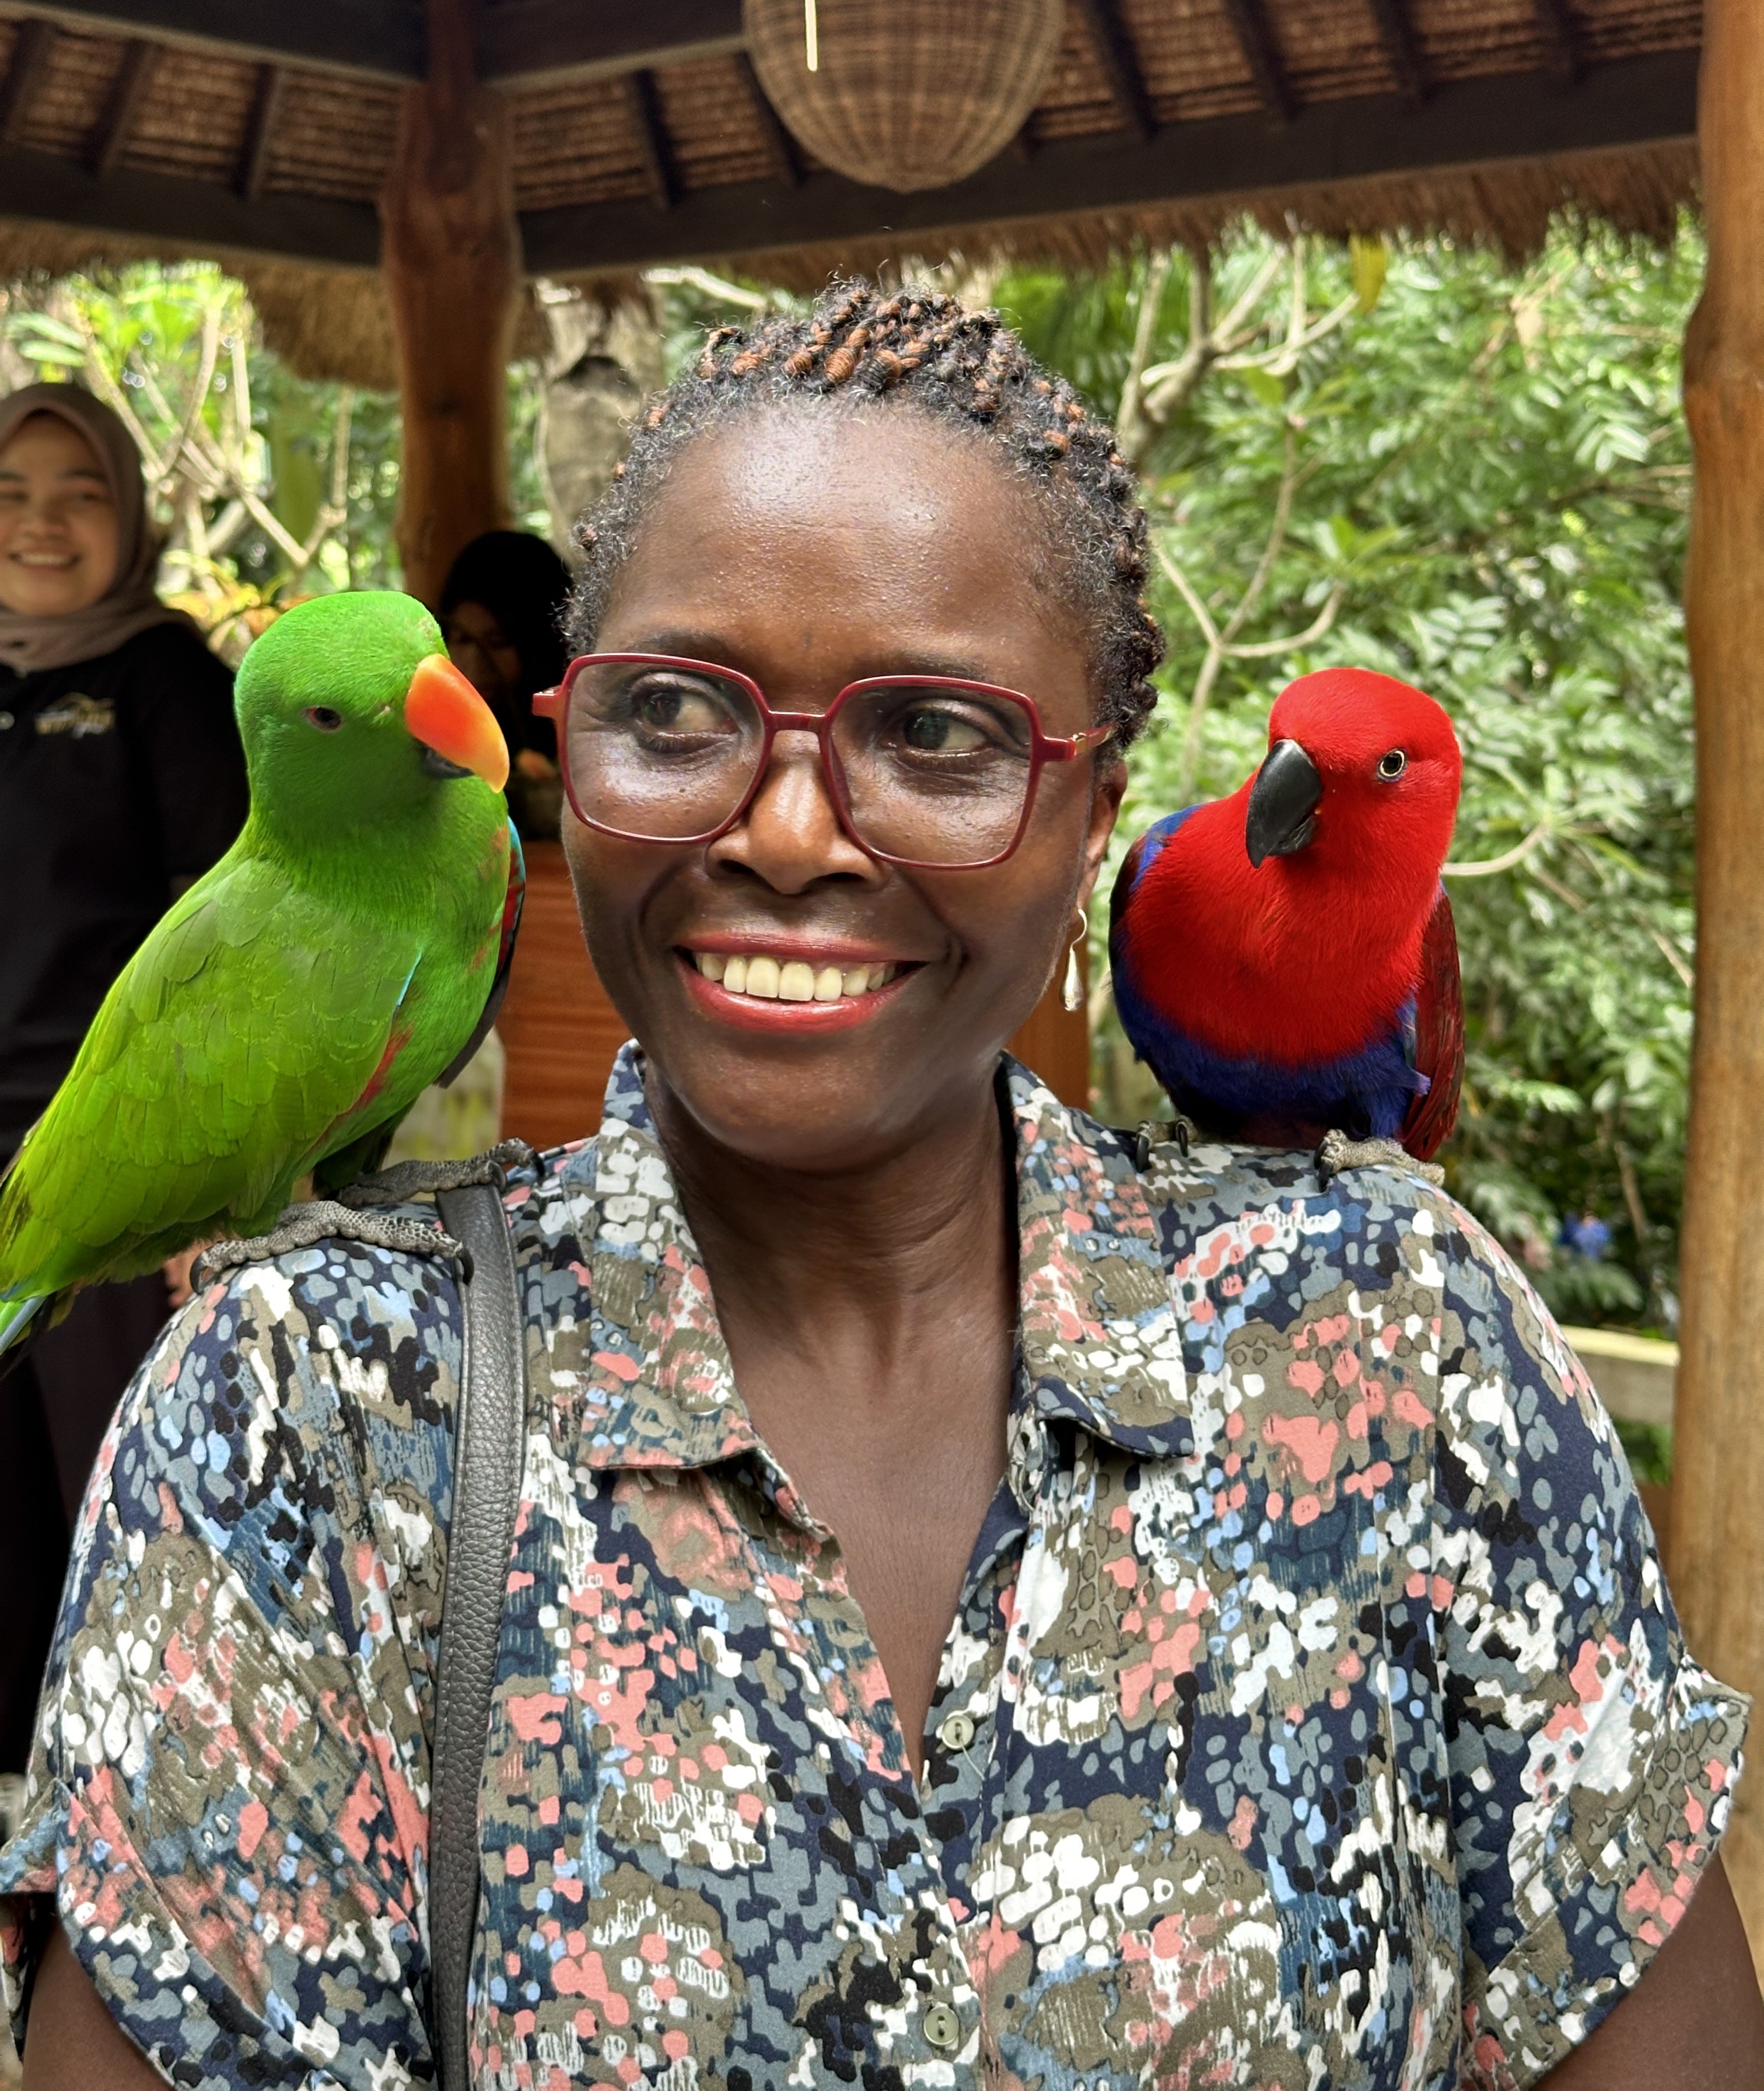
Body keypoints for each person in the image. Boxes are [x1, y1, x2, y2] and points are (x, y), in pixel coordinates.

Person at [3, 285, 1759, 2090]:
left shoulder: (1396, 1341)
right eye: (672, 711)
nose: (784, 830)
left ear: (1100, 816)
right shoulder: (301, 1404)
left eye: (933, 735)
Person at [0, 383, 246, 1789]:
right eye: (12, 492)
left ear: (132, 514)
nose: (42, 523)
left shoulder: (167, 683)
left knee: (116, 1481)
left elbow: (221, 942)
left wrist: (203, 1189)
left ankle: (132, 1801)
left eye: (80, 492)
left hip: (106, 1160)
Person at [440, 528, 570, 837]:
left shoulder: (576, 731)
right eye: (460, 639)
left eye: (497, 642)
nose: (474, 665)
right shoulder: (435, 734)